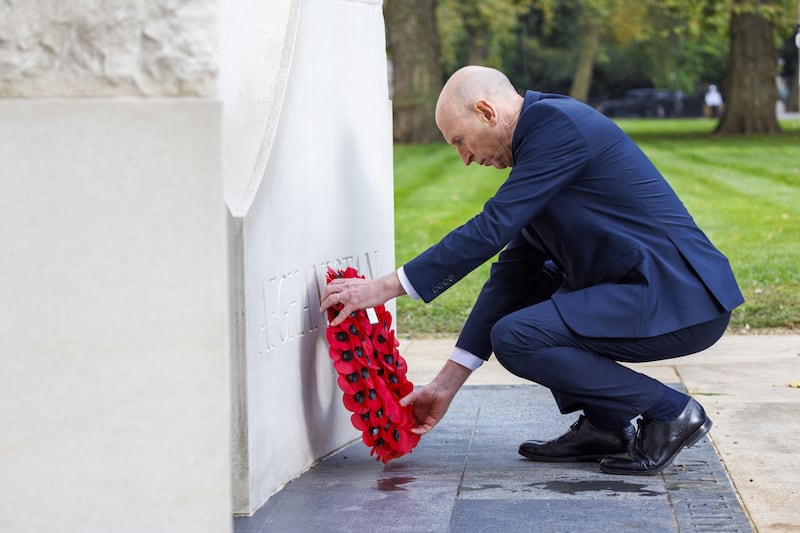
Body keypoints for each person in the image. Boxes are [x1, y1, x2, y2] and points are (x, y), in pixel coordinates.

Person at [321, 66, 743, 476]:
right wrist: (447, 383)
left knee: (519, 337)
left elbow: (491, 228)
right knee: (531, 308)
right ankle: (606, 426)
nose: (464, 158)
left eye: (460, 140)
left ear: (487, 112)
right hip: (647, 292)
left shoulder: (556, 126)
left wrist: (386, 287)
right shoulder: (539, 145)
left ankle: (671, 412)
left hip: (680, 296)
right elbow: (513, 275)